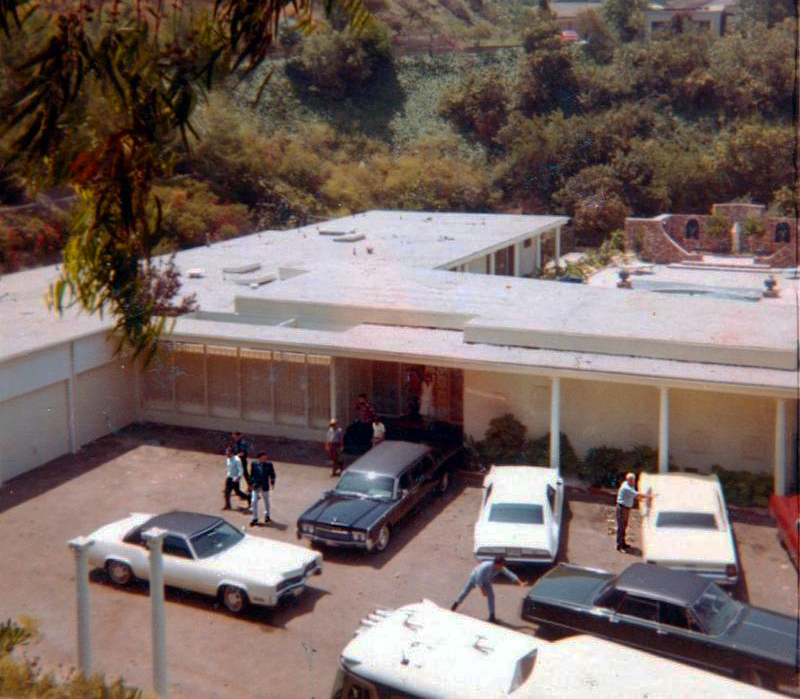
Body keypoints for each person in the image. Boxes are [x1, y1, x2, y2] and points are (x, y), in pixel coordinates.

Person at [451, 556, 524, 623]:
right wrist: (482, 589)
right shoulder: (485, 567)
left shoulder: (500, 568)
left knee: (491, 596)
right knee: (465, 591)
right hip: (475, 577)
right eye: (501, 564)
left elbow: (508, 573)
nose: (502, 566)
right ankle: (455, 605)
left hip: (486, 580)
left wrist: (519, 582)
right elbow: (479, 578)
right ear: (496, 564)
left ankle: (492, 616)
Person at [616, 472, 654, 552]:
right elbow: (637, 494)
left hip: (626, 508)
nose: (633, 481)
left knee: (624, 526)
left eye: (633, 480)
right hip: (622, 508)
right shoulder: (626, 487)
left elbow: (634, 496)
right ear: (627, 480)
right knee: (621, 527)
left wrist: (641, 499)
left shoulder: (631, 486)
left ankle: (623, 543)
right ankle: (619, 546)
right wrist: (649, 496)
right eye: (631, 480)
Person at [249, 452, 276, 525]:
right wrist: (251, 483)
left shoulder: (269, 465)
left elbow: (272, 474)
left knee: (266, 501)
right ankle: (254, 518)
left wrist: (272, 483)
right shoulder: (254, 464)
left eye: (266, 458)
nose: (265, 459)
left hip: (264, 485)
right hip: (256, 485)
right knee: (254, 501)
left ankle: (267, 515)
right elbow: (252, 474)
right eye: (264, 457)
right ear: (259, 458)